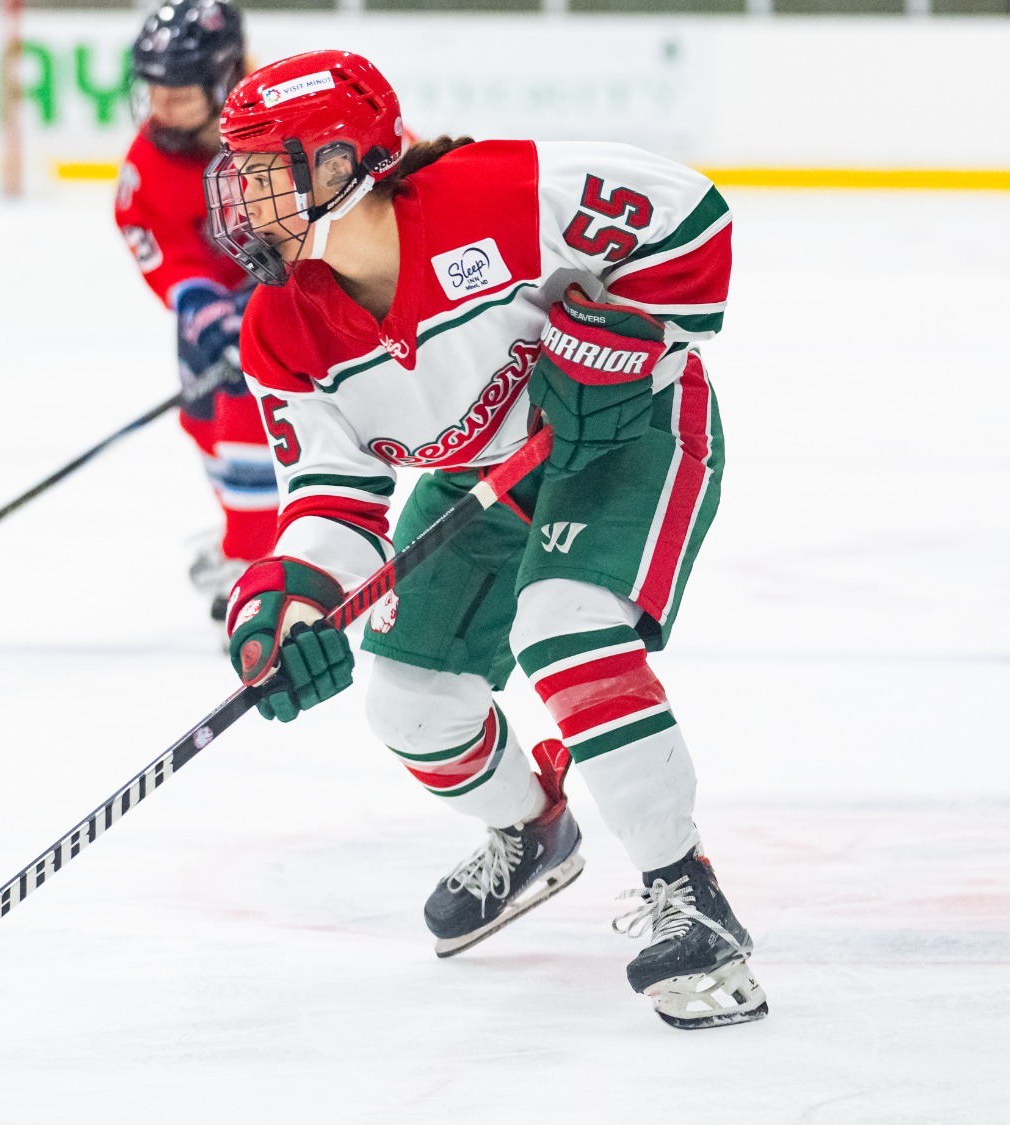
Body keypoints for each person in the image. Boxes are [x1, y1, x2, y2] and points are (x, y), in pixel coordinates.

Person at [206, 51, 763, 1030]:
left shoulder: (496, 195)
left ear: (338, 163)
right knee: (409, 701)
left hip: (622, 438)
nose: (244, 202)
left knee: (564, 626)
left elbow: (690, 215)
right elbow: (334, 493)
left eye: (264, 170)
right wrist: (284, 604)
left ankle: (693, 906)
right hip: (483, 477)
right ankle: (530, 831)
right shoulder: (282, 327)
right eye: (240, 175)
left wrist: (624, 341)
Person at [115, 0, 278, 619]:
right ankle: (252, 527)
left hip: (313, 296)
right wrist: (202, 304)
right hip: (229, 304)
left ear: (224, 78)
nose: (163, 103)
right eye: (155, 88)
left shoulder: (288, 119)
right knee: (206, 414)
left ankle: (256, 556)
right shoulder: (151, 162)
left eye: (179, 90)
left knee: (250, 422)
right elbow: (153, 233)